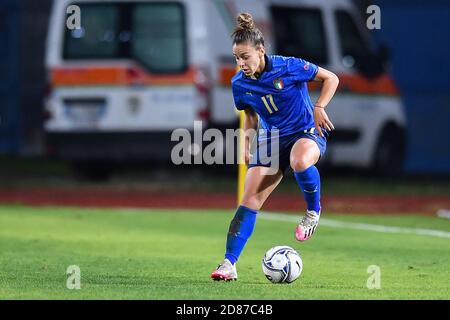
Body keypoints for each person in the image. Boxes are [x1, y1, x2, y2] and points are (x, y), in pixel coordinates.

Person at [211, 13, 339, 281]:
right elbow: (250, 116)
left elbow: (331, 78)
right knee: (249, 200)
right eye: (237, 58)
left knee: (300, 161)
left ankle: (312, 212)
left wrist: (319, 107)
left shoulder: (289, 66)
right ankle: (228, 264)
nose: (241, 63)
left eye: (245, 56)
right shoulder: (239, 84)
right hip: (271, 141)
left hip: (305, 132)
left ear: (261, 50)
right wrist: (246, 142)